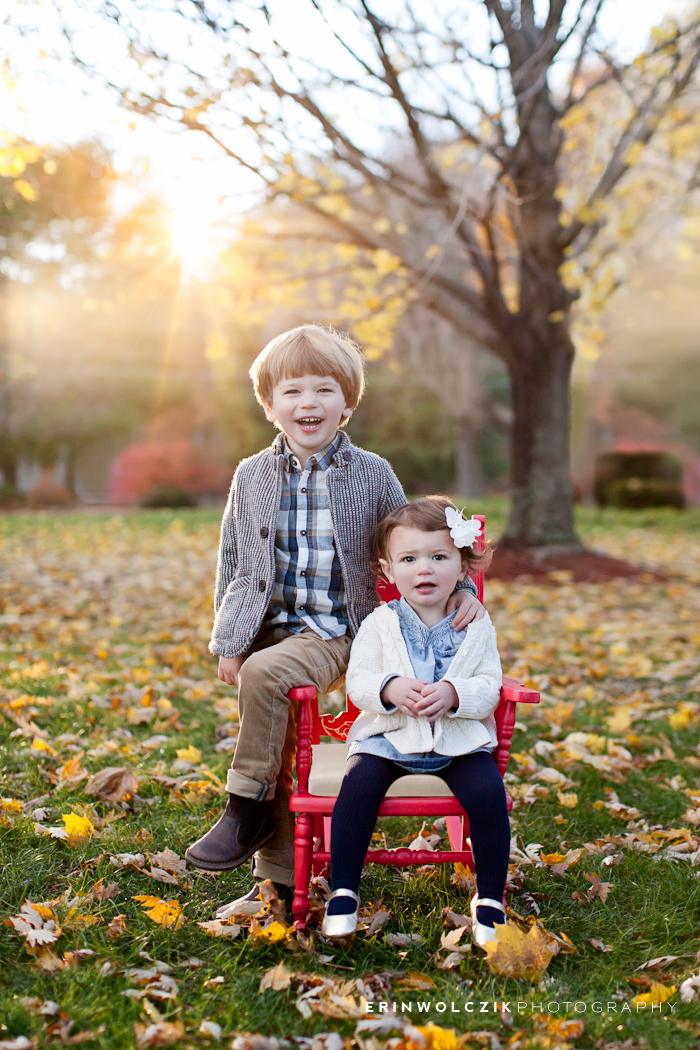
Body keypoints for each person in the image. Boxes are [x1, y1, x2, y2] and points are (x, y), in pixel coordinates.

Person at [185, 325, 486, 915]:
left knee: (269, 677)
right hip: (269, 627)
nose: (308, 404)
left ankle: (242, 807)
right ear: (270, 406)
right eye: (292, 392)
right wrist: (229, 639)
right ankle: (278, 881)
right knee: (279, 739)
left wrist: (466, 588)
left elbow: (417, 539)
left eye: (324, 390)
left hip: (340, 631)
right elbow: (233, 558)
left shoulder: (370, 472)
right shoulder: (252, 475)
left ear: (347, 403)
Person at [321, 496, 509, 947]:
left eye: (439, 557)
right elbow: (359, 681)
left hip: (457, 741)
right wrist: (388, 688)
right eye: (409, 559)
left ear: (462, 567)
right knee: (357, 785)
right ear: (387, 571)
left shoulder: (475, 624)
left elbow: (490, 683)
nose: (424, 569)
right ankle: (343, 889)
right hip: (389, 739)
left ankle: (489, 899)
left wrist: (454, 693)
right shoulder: (379, 624)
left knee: (488, 795)